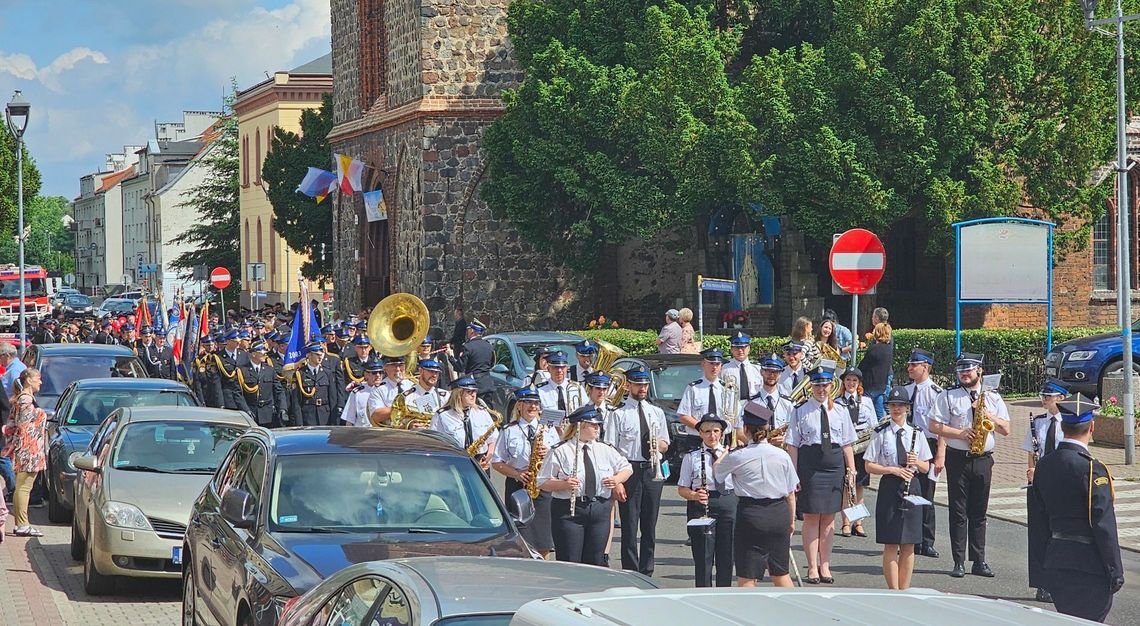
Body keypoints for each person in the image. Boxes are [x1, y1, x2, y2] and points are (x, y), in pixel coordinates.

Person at [1032, 393, 1124, 623]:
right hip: (1089, 566)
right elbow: (1103, 524)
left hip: (1057, 562)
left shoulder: (1043, 465)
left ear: (1062, 426)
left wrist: (1040, 569)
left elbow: (1038, 521)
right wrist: (1115, 569)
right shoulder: (1093, 469)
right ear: (1092, 426)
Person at [931, 352, 1011, 578]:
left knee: (979, 512)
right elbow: (934, 425)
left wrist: (989, 416)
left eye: (969, 369)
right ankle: (958, 561)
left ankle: (979, 560)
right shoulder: (948, 396)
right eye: (961, 370)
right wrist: (960, 433)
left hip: (984, 458)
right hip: (958, 458)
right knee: (958, 511)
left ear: (980, 371)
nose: (964, 374)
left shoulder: (992, 397)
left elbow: (1006, 429)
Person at [715, 400, 799, 588]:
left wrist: (724, 453)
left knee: (747, 576)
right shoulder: (782, 455)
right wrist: (791, 521)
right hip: (779, 514)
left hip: (751, 514)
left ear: (745, 428)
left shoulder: (737, 456)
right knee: (781, 574)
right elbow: (791, 493)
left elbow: (718, 476)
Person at [787, 368, 857, 584]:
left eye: (825, 385)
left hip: (834, 465)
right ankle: (812, 567)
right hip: (810, 464)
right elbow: (793, 445)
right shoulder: (800, 410)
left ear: (831, 386)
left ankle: (825, 565)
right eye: (817, 385)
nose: (821, 389)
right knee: (811, 517)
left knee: (829, 518)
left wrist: (851, 470)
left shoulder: (841, 410)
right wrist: (793, 475)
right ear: (811, 387)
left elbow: (847, 443)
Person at [539, 405, 632, 565]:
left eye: (598, 424)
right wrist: (563, 484)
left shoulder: (605, 449)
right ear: (580, 425)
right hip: (569, 511)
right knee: (570, 561)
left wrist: (617, 479)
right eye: (593, 424)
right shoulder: (560, 450)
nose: (598, 428)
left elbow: (626, 468)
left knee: (596, 561)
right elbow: (542, 482)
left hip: (599, 509)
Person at [862, 386, 932, 590]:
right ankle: (893, 590)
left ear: (907, 409)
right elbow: (868, 464)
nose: (896, 409)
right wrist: (891, 469)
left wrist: (916, 461)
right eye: (893, 405)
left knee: (909, 543)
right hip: (890, 485)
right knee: (891, 542)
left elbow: (926, 466)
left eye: (900, 406)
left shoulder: (916, 433)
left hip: (912, 485)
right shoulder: (881, 433)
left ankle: (905, 589)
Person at [605, 366, 669, 575]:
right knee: (630, 525)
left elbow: (666, 445)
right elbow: (611, 449)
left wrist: (656, 445)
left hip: (652, 469)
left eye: (645, 384)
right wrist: (618, 481)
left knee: (650, 525)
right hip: (629, 469)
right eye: (638, 384)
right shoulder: (618, 414)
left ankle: (647, 570)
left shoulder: (656, 412)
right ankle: (631, 570)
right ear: (629, 385)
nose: (642, 388)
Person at [492, 387, 559, 558]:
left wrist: (548, 454)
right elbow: (497, 462)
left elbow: (561, 459)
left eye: (536, 403)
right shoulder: (509, 430)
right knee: (520, 536)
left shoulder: (548, 430)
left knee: (543, 539)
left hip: (542, 485)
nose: (533, 407)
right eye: (528, 403)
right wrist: (516, 473)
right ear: (519, 406)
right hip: (518, 486)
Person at [679, 413, 737, 587]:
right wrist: (694, 495)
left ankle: (724, 594)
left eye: (716, 431)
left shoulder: (732, 454)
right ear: (700, 434)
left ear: (721, 433)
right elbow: (682, 488)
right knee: (703, 556)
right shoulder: (692, 457)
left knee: (726, 555)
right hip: (702, 503)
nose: (712, 436)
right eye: (707, 432)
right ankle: (703, 593)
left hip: (727, 500)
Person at [1024, 379, 1068, 603]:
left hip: (1060, 485)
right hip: (1038, 485)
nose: (1044, 400)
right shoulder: (1038, 422)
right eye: (1043, 396)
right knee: (1039, 535)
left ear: (1061, 398)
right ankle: (1042, 584)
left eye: (1048, 396)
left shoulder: (1069, 423)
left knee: (1057, 535)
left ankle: (1060, 581)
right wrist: (1031, 470)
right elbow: (1032, 452)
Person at [902, 348, 945, 558]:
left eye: (914, 365)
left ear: (925, 367)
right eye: (910, 365)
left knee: (927, 493)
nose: (909, 368)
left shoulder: (936, 393)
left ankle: (926, 541)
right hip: (909, 442)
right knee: (907, 490)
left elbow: (942, 425)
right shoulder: (905, 392)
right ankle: (909, 537)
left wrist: (940, 454)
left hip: (929, 443)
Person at [1, 369, 46, 537]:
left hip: (27, 448)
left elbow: (12, 424)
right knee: (24, 487)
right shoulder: (26, 400)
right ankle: (22, 524)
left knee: (23, 486)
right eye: (38, 379)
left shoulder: (23, 399)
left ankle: (22, 523)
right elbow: (24, 427)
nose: (40, 382)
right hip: (29, 449)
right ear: (28, 381)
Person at [837, 367, 876, 538]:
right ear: (843, 383)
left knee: (859, 486)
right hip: (844, 448)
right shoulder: (837, 402)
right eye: (848, 380)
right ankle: (845, 522)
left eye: (854, 380)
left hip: (861, 448)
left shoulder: (866, 401)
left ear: (859, 383)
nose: (851, 383)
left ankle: (858, 522)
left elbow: (873, 424)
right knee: (847, 485)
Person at [430, 377, 499, 472]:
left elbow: (493, 438)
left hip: (480, 463)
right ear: (458, 394)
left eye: (475, 391)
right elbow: (434, 442)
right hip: (453, 463)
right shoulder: (442, 415)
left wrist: (489, 457)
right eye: (469, 392)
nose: (473, 395)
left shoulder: (481, 412)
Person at [236, 341, 288, 428]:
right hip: (252, 414)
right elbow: (238, 394)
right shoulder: (242, 371)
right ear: (253, 354)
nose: (265, 355)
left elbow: (279, 391)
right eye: (262, 353)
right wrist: (246, 411)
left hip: (269, 415)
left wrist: (283, 408)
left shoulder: (269, 370)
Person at [677, 348, 726, 438]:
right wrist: (703, 429)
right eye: (711, 363)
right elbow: (683, 416)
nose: (714, 367)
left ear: (721, 365)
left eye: (717, 364)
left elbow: (734, 416)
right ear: (703, 364)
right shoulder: (693, 388)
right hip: (697, 437)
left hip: (722, 438)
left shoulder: (727, 388)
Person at [290, 343, 335, 426]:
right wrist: (299, 424)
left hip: (325, 416)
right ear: (309, 355)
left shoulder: (327, 373)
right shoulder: (300, 374)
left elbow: (332, 399)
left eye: (321, 354)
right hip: (308, 417)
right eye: (317, 354)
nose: (320, 357)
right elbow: (296, 402)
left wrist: (334, 421)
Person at [721, 331, 762, 423]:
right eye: (737, 347)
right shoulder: (724, 369)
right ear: (731, 349)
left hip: (754, 408)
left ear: (749, 348)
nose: (740, 350)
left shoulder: (757, 369)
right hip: (733, 408)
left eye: (743, 347)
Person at [537, 352, 586, 426]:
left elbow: (585, 411)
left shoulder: (577, 388)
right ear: (548, 369)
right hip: (550, 432)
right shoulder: (540, 391)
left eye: (562, 367)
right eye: (555, 367)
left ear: (567, 368)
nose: (559, 370)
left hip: (573, 432)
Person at [752, 354, 793, 441]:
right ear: (761, 372)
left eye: (776, 372)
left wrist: (785, 439)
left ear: (781, 374)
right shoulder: (752, 403)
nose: (772, 375)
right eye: (768, 371)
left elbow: (796, 430)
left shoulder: (788, 403)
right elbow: (741, 431)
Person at [455, 319, 495, 408]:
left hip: (474, 385)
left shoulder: (467, 346)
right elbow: (492, 364)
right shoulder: (489, 346)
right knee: (488, 413)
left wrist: (450, 357)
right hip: (487, 383)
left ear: (472, 331)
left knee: (474, 413)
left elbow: (460, 367)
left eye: (468, 330)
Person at [366, 355, 416, 426]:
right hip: (390, 432)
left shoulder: (413, 385)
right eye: (394, 365)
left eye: (401, 365)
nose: (398, 369)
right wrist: (401, 408)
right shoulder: (379, 389)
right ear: (385, 368)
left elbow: (427, 409)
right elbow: (376, 415)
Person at [857, 322, 893, 417]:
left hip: (870, 385)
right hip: (881, 385)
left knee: (866, 410)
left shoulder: (874, 349)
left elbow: (863, 365)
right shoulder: (888, 348)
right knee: (879, 411)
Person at [341, 357, 385, 427]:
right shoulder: (357, 393)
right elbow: (349, 419)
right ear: (366, 374)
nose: (378, 375)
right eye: (374, 373)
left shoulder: (387, 391)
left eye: (381, 372)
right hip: (362, 433)